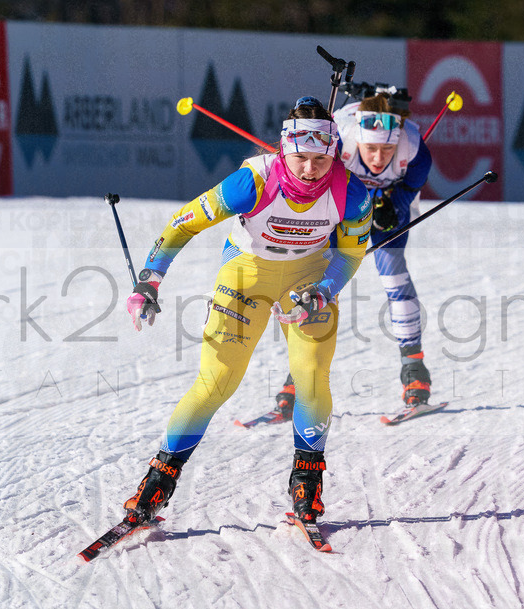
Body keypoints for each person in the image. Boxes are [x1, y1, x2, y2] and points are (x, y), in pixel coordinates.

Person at [122, 96, 372, 525]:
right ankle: (156, 483)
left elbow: (350, 253)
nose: (310, 169)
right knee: (217, 380)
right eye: (300, 158)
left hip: (307, 279)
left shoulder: (351, 192)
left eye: (320, 159)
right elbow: (184, 222)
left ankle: (307, 485)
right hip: (246, 274)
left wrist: (324, 290)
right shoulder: (252, 181)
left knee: (312, 375)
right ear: (284, 149)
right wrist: (150, 278)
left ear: (334, 154)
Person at [273, 91, 434, 419]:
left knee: (394, 276)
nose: (378, 158)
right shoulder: (339, 142)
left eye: (387, 149)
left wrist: (393, 205)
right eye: (370, 148)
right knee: (321, 283)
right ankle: (299, 374)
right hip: (344, 205)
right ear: (357, 140)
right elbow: (316, 180)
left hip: (388, 203)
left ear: (398, 141)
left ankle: (414, 372)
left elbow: (409, 188)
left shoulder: (415, 148)